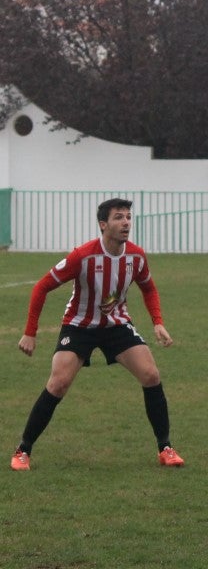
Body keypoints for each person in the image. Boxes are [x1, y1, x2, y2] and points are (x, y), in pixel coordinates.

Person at [10, 198, 184, 471]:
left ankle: (166, 449)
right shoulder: (83, 256)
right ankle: (23, 450)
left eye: (128, 217)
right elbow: (41, 286)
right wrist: (30, 332)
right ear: (103, 225)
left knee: (151, 375)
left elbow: (148, 288)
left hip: (116, 325)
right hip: (79, 326)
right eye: (118, 217)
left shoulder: (136, 256)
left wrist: (158, 322)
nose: (126, 222)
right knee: (58, 384)